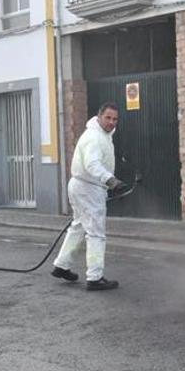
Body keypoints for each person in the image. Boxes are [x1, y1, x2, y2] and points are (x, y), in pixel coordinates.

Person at [51, 102, 126, 291]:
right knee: (96, 233)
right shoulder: (94, 137)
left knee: (78, 227)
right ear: (99, 116)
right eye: (108, 117)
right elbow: (92, 163)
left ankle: (62, 265)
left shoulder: (102, 135)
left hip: (80, 185)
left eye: (115, 119)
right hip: (89, 188)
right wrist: (110, 179)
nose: (111, 122)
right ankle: (95, 277)